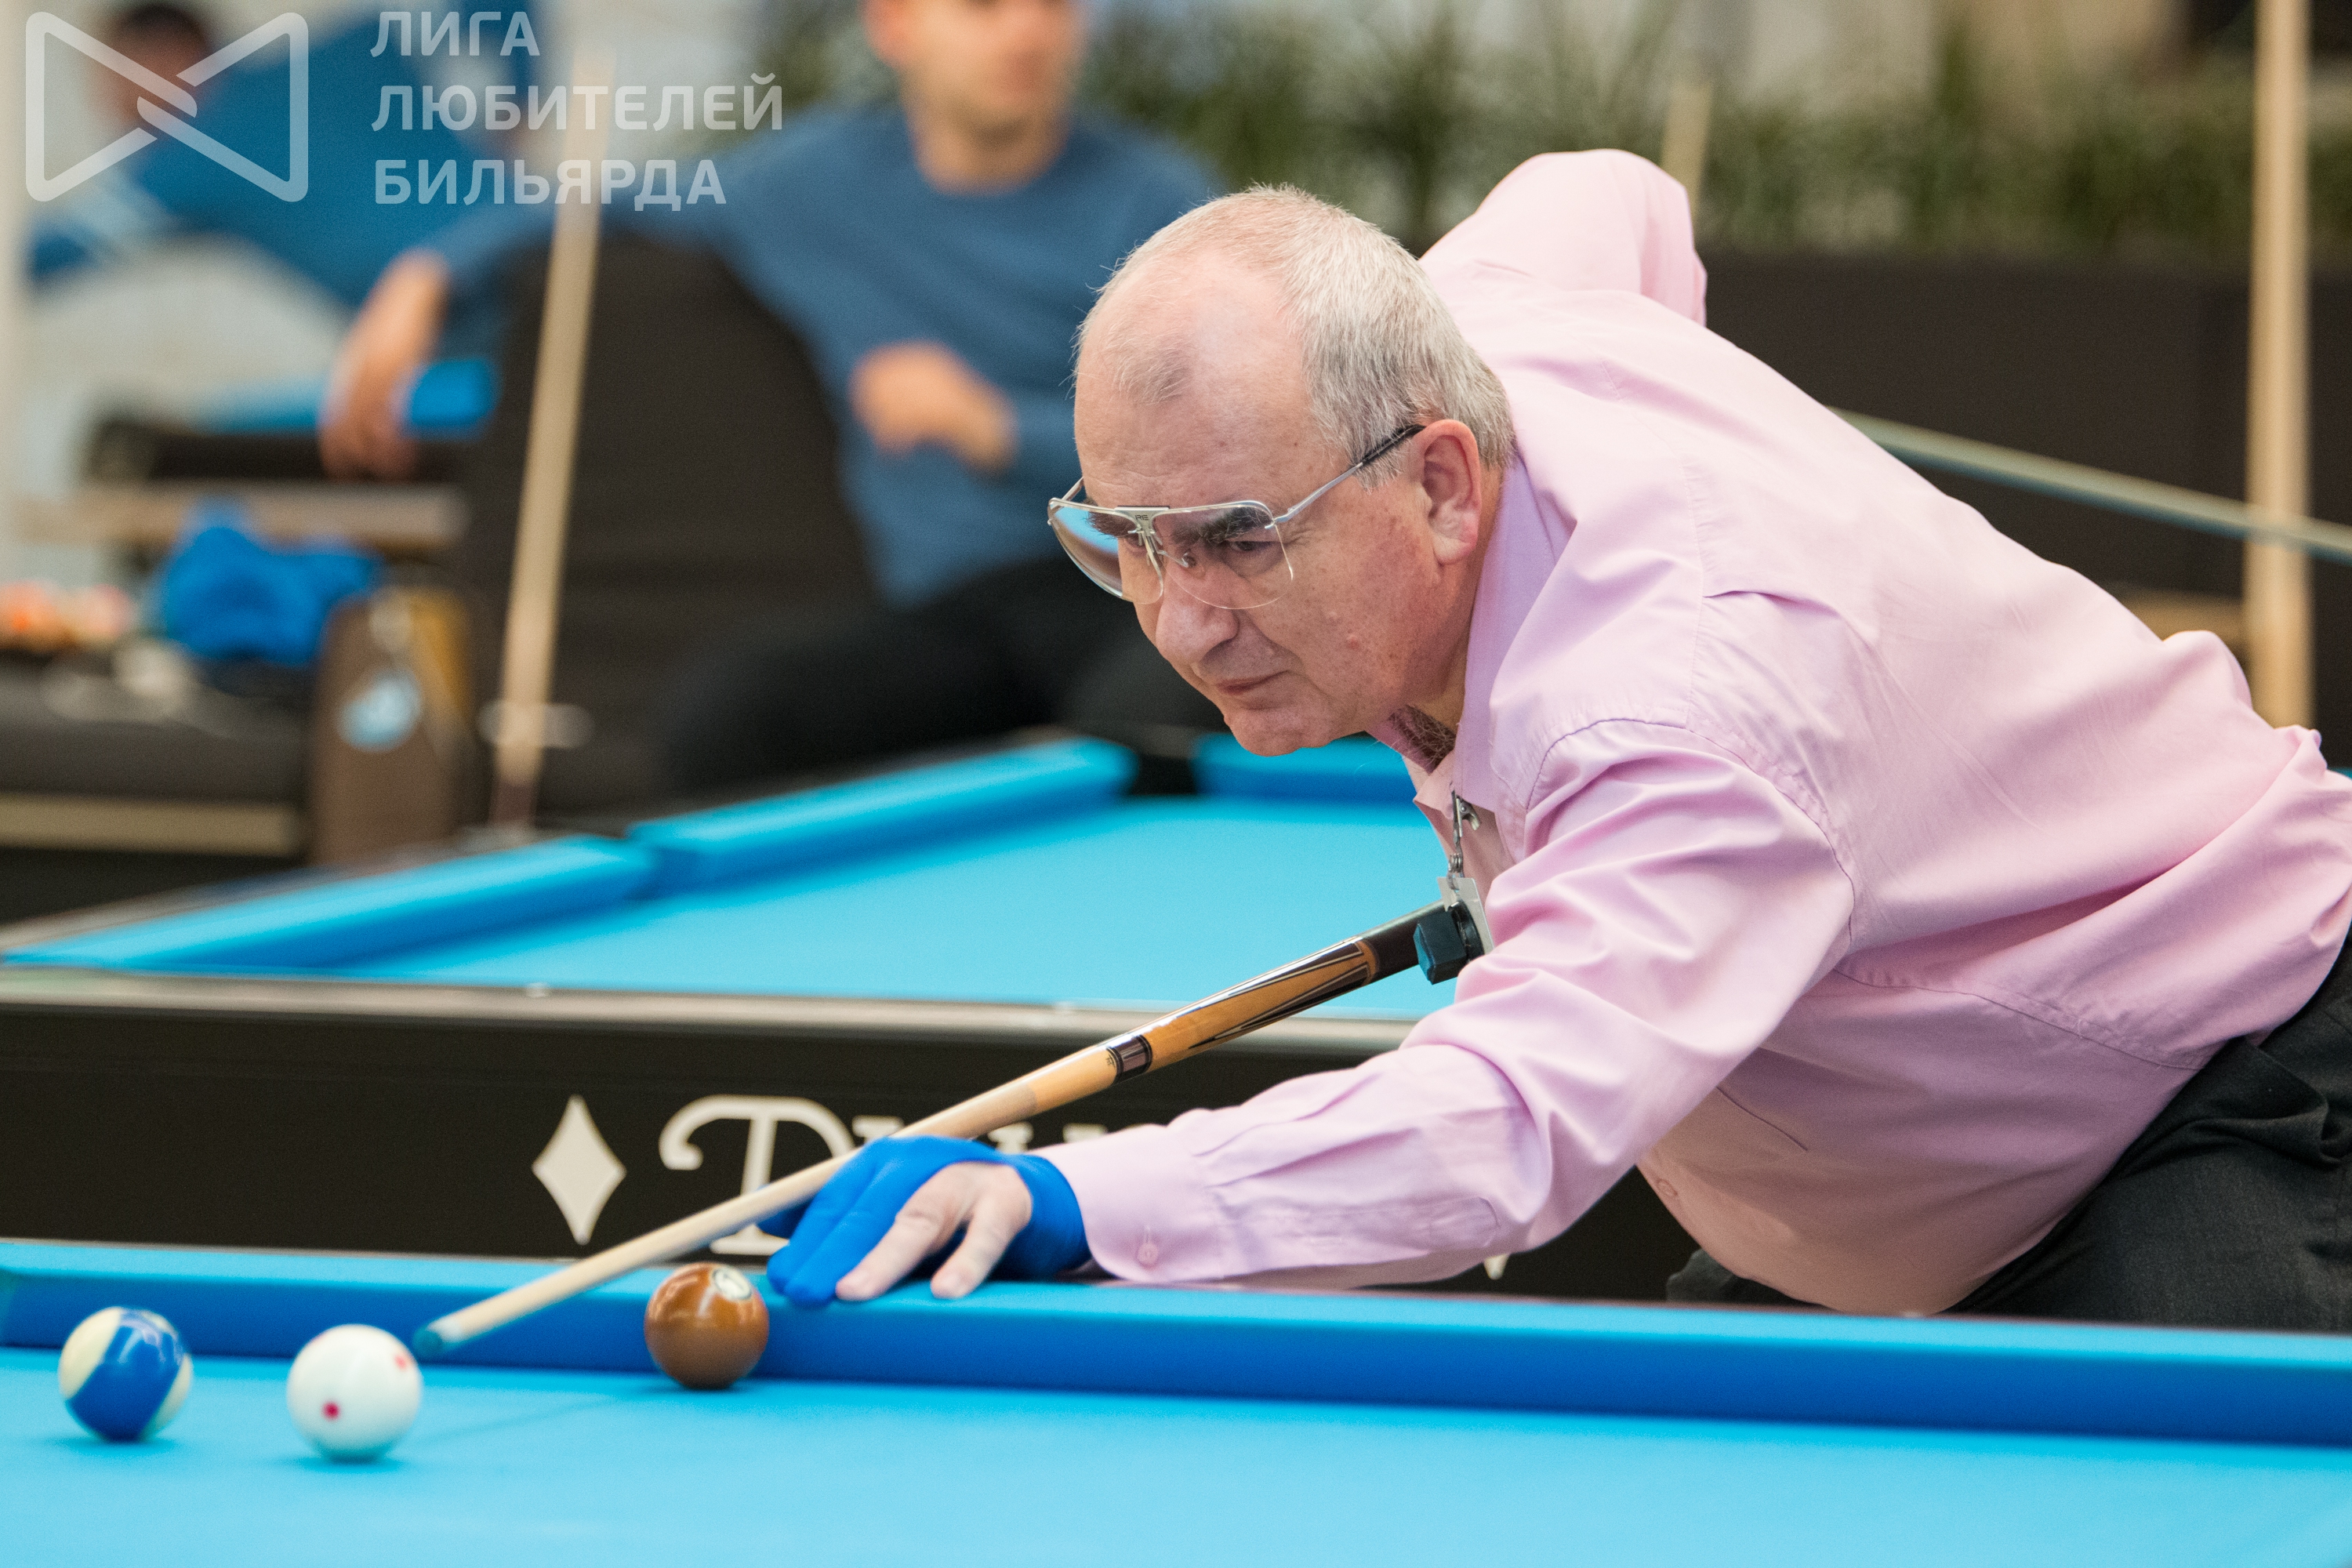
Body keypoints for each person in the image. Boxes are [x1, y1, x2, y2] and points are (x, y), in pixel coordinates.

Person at [760, 151, 2352, 1332]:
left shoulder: (1681, 701)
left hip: (2219, 1087)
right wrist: (1685, 391)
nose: (1183, 624)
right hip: (1886, 1208)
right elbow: (1607, 188)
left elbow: (1512, 1123)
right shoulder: (1470, 322)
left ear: (1444, 484)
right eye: (1130, 542)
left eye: (1239, 539)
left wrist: (1079, 1194)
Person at [322, 0, 1225, 791]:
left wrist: (995, 428)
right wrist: (426, 277)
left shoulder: (1158, 205)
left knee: (1146, 711)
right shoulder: (818, 185)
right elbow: (613, 200)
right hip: (953, 613)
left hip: (1127, 590)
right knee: (736, 710)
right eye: (985, 5)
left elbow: (1225, 444)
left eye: (1053, 5)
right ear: (895, 23)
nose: (1027, 32)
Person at [31, 4, 521, 357]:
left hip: (464, 321)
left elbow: (55, 251)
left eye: (115, 81)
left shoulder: (192, 155)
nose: (112, 109)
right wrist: (518, 97)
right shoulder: (356, 47)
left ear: (162, 59)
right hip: (536, 251)